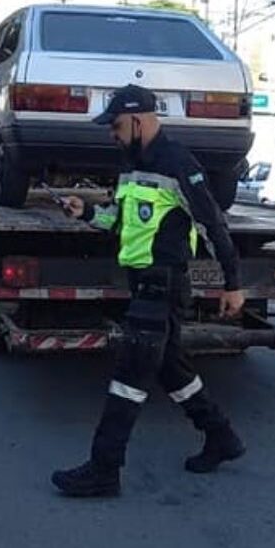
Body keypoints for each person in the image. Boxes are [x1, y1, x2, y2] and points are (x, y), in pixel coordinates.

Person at [51, 84, 246, 497]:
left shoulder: (179, 163)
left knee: (129, 375)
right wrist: (85, 212)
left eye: (117, 126)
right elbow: (120, 223)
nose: (112, 134)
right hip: (141, 284)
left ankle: (104, 468)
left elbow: (212, 224)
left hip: (163, 284)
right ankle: (221, 436)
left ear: (139, 121)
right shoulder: (130, 166)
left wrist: (233, 284)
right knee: (171, 369)